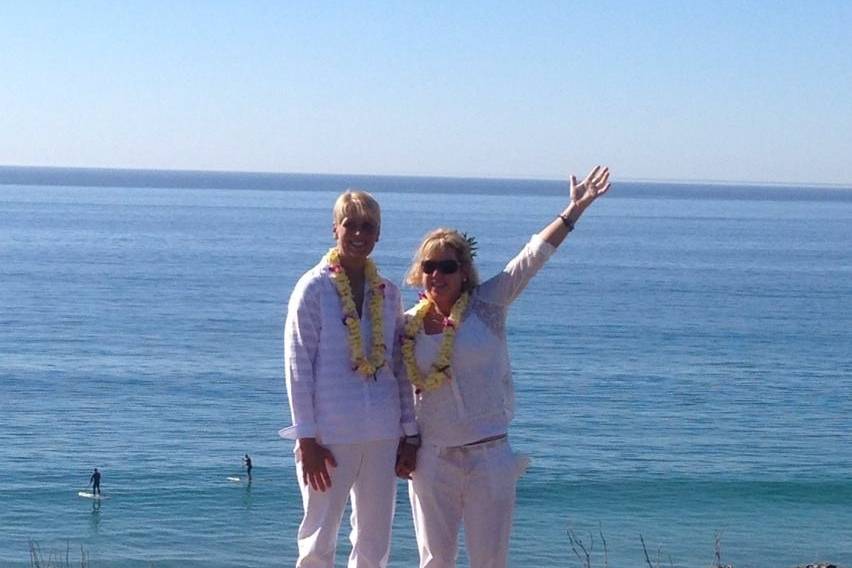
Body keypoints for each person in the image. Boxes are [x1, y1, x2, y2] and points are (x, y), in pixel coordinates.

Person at [400, 166, 611, 568]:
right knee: (433, 562)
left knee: (490, 561)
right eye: (429, 266)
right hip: (434, 460)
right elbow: (395, 389)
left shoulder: (488, 305)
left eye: (447, 266)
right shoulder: (406, 325)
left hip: (489, 456)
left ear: (464, 273)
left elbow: (531, 257)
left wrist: (574, 210)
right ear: (420, 273)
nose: (436, 274)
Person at [279, 190, 419, 568]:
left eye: (368, 226)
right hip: (329, 436)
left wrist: (409, 432)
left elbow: (398, 366)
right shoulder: (312, 288)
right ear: (335, 229)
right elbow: (298, 364)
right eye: (350, 225)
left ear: (379, 234)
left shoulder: (387, 293)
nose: (359, 233)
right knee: (318, 539)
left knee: (374, 542)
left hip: (382, 434)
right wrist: (306, 438)